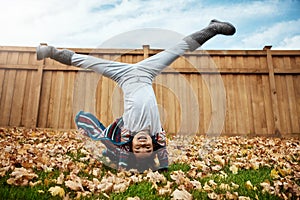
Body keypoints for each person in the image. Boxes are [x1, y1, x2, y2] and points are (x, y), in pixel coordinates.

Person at [36, 19, 236, 172]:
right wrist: (161, 165)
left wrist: (123, 164)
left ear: (129, 144)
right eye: (147, 149)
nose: (142, 145)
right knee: (178, 49)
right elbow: (162, 158)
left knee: (87, 62)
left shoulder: (128, 131)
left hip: (123, 77)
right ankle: (213, 28)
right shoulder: (156, 132)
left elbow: (123, 157)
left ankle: (51, 51)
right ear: (154, 145)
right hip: (147, 72)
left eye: (138, 149)